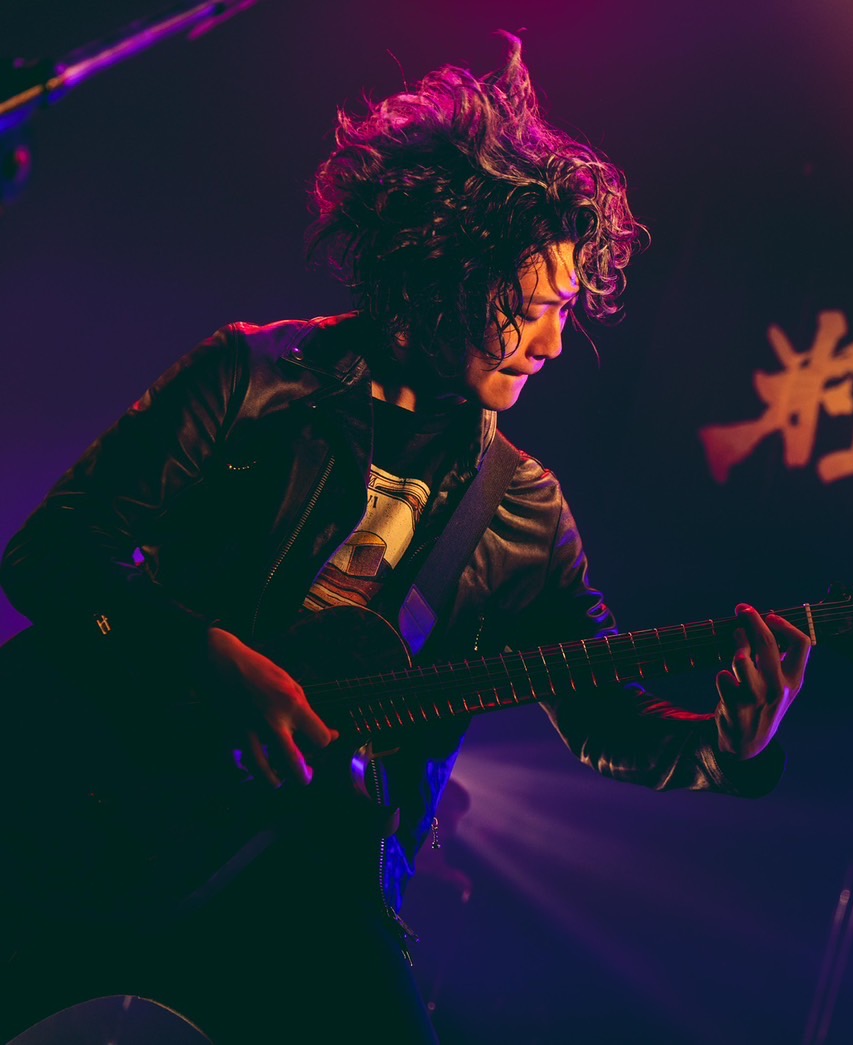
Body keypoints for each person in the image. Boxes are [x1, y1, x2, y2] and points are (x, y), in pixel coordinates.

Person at [0, 34, 809, 1043]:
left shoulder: (526, 512)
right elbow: (53, 554)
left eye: (566, 310)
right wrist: (208, 657)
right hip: (93, 812)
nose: (555, 341)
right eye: (535, 306)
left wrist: (728, 744)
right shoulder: (253, 380)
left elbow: (608, 718)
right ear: (447, 269)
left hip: (309, 881)